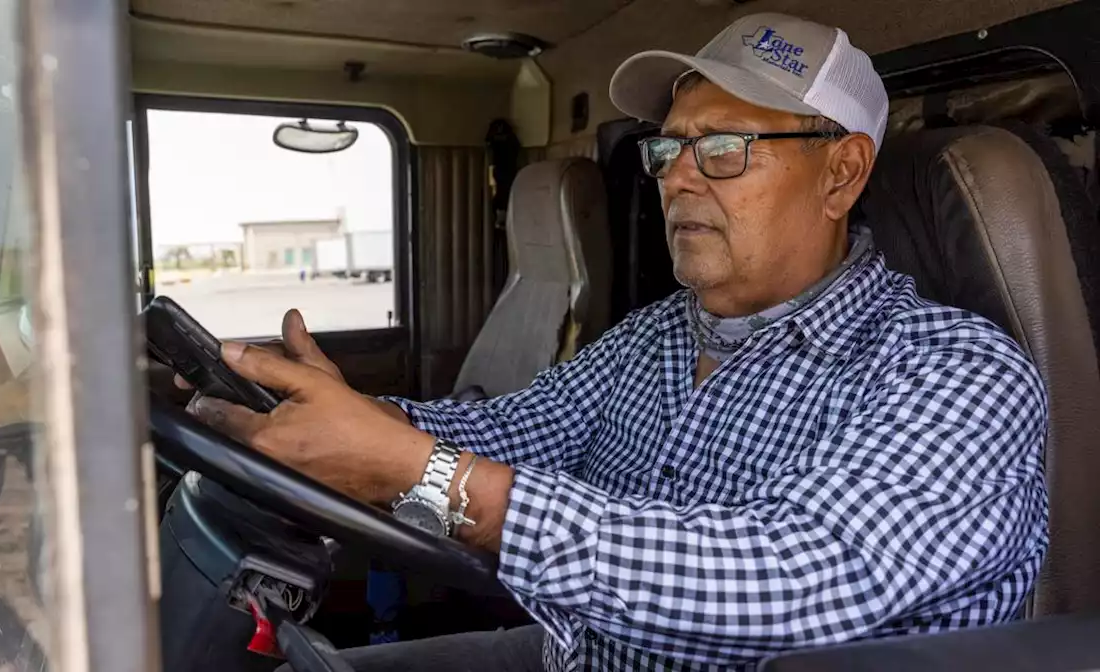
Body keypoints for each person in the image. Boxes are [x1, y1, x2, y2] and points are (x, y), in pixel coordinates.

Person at [186, 13, 1049, 671]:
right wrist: (343, 417)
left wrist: (424, 476)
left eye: (720, 148)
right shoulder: (656, 336)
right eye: (670, 148)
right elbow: (503, 436)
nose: (674, 174)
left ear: (842, 173)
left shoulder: (957, 374)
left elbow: (788, 579)